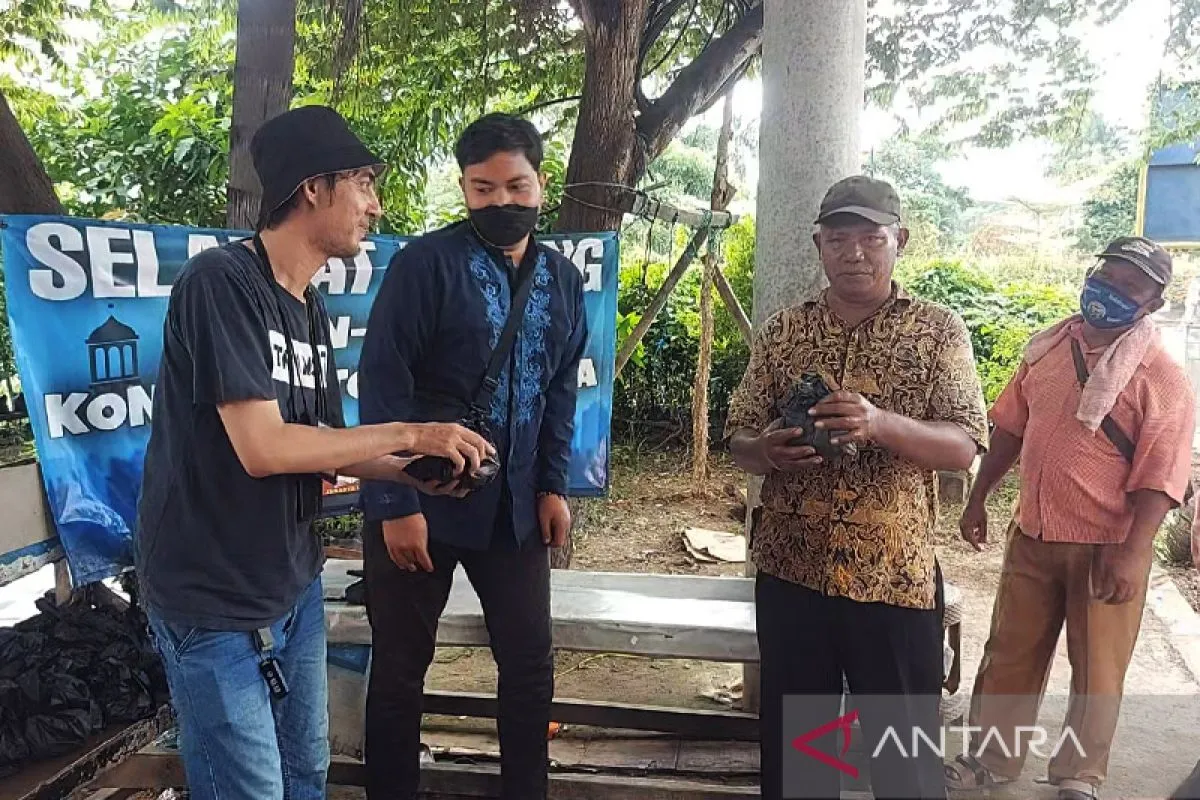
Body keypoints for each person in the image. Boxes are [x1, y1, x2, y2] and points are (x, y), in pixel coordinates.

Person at [134, 105, 492, 800]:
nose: (374, 205)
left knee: (306, 775)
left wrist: (414, 474)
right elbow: (265, 448)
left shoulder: (308, 308)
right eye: (363, 183)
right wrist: (410, 432)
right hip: (212, 598)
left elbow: (321, 446)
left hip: (291, 583)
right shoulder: (221, 284)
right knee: (252, 791)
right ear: (313, 187)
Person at [725, 175, 988, 800]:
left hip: (892, 577)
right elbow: (738, 434)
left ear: (900, 240)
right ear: (818, 245)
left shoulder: (938, 331)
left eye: (871, 238)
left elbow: (964, 443)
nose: (855, 253)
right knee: (801, 763)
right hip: (793, 574)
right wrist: (765, 451)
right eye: (838, 239)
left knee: (905, 765)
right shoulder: (783, 331)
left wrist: (879, 423)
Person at [356, 112, 588, 800]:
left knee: (530, 667)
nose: (501, 202)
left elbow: (560, 392)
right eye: (482, 189)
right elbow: (383, 382)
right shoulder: (425, 264)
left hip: (516, 510)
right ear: (463, 188)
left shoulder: (563, 279)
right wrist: (394, 505)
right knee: (400, 671)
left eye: (516, 186)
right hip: (422, 503)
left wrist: (553, 486)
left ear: (541, 184)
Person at [946, 237, 1196, 800]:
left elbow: (1161, 475)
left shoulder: (1162, 377)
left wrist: (1134, 553)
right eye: (1106, 276)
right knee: (1008, 655)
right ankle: (990, 760)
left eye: (1130, 286)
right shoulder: (1049, 349)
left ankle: (1079, 776)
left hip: (1110, 546)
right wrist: (979, 496)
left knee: (1098, 671)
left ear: (1153, 303)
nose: (1110, 290)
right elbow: (1010, 428)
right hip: (1033, 533)